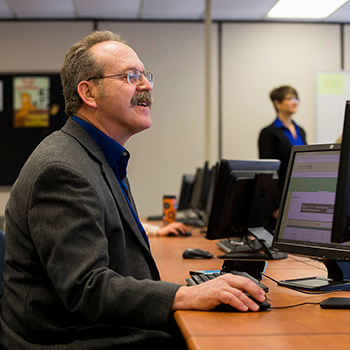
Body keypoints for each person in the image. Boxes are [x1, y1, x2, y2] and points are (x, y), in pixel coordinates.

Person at [0, 30, 266, 349]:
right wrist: (186, 294)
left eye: (145, 75)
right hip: (71, 338)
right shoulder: (62, 169)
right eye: (131, 76)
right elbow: (86, 288)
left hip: (95, 327)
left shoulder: (96, 155)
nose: (147, 86)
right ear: (88, 92)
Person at [258, 86, 307, 222]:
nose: (295, 102)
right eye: (290, 98)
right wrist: (276, 206)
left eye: (297, 99)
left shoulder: (300, 131)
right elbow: (269, 172)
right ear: (277, 103)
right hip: (281, 200)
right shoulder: (268, 133)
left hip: (302, 194)